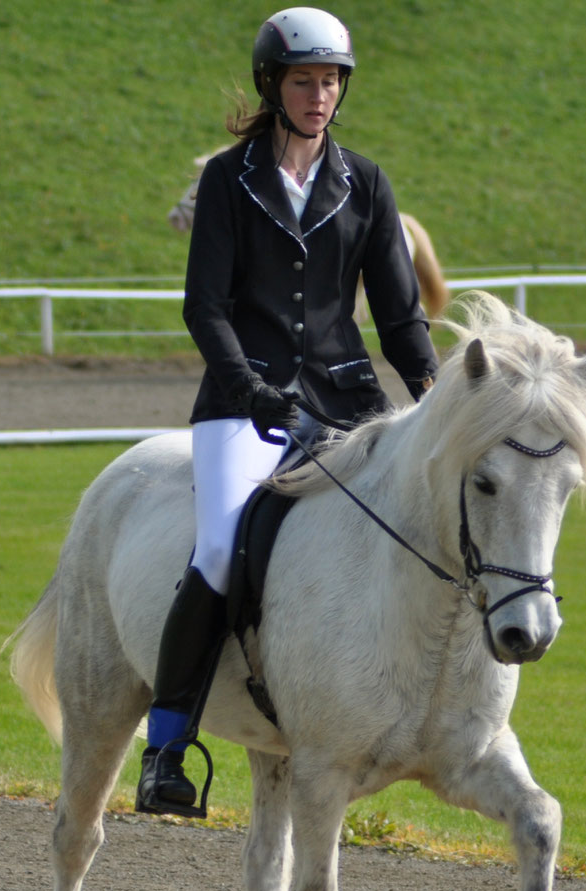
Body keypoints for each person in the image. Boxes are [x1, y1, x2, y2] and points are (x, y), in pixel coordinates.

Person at [138, 6, 440, 816]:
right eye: (304, 80)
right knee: (218, 547)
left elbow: (401, 317)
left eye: (332, 81)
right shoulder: (227, 180)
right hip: (246, 403)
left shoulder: (365, 181)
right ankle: (167, 746)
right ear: (273, 86)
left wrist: (439, 398)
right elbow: (205, 309)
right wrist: (249, 388)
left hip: (346, 400)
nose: (320, 95)